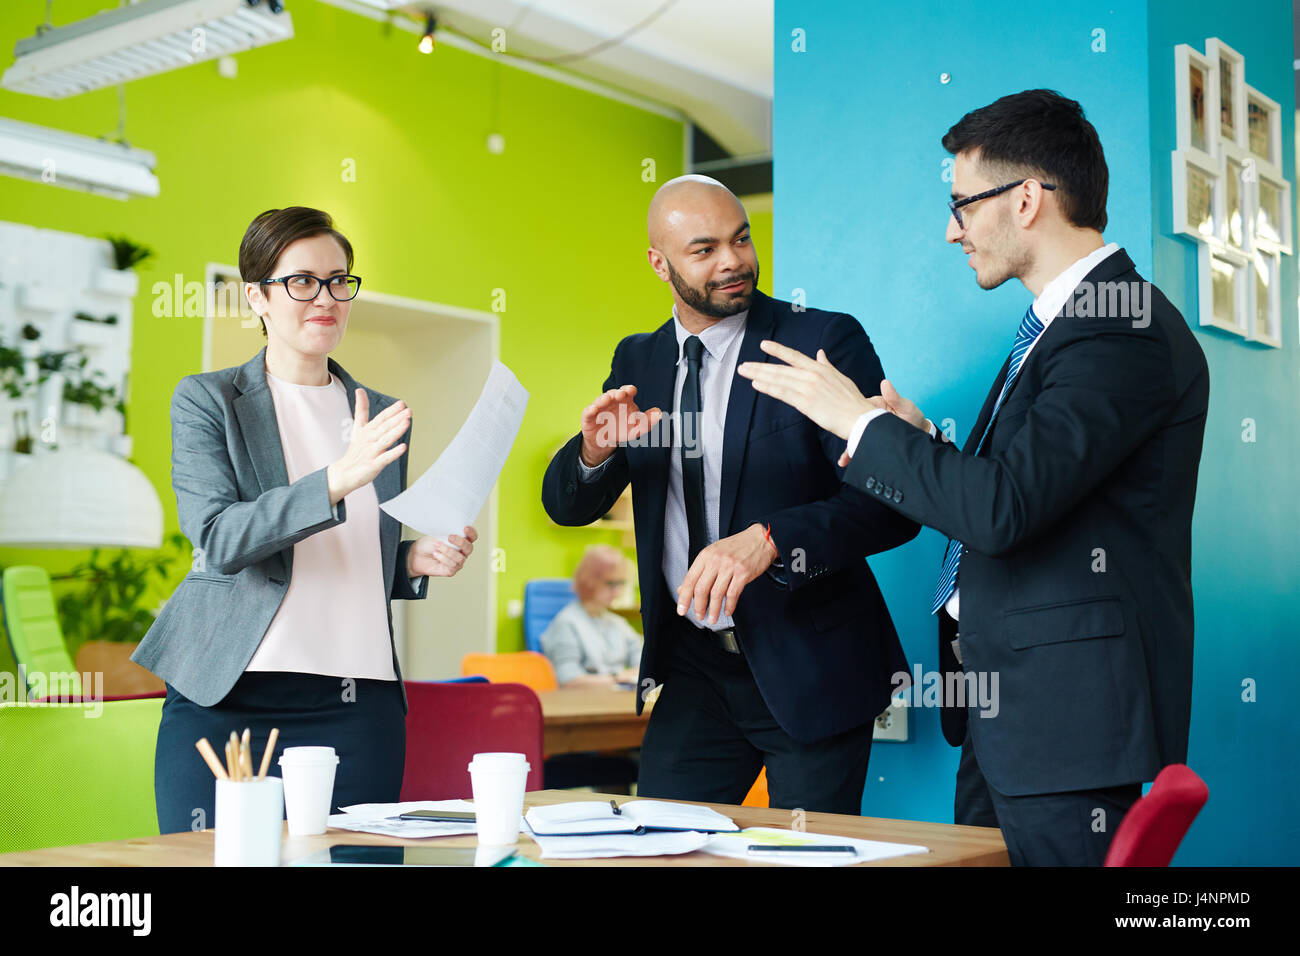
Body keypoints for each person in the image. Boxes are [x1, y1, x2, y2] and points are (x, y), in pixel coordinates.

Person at [738, 90, 1209, 864]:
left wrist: (859, 423)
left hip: (1073, 736)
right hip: (1014, 719)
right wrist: (915, 442)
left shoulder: (1121, 328)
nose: (950, 230)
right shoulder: (1066, 327)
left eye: (962, 204)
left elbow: (1003, 510)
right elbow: (1019, 490)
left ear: (1027, 199)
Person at [541, 175, 919, 814]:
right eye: (705, 248)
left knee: (809, 864)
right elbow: (566, 506)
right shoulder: (638, 361)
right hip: (692, 668)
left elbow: (891, 503)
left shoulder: (819, 340)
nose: (733, 261)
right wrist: (595, 451)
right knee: (657, 850)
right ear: (660, 264)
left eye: (741, 239)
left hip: (811, 664)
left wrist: (772, 541)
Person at [133, 206, 478, 833]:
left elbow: (340, 558)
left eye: (339, 280)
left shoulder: (380, 415)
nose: (325, 297)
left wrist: (411, 561)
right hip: (230, 692)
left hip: (356, 698)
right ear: (258, 297)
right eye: (302, 281)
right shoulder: (208, 400)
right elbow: (219, 537)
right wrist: (337, 480)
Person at [540, 545, 642, 688]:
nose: (617, 592)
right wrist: (618, 679)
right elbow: (568, 680)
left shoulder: (618, 623)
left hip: (616, 700)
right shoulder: (567, 623)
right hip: (584, 705)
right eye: (611, 583)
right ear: (589, 581)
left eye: (621, 583)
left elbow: (645, 660)